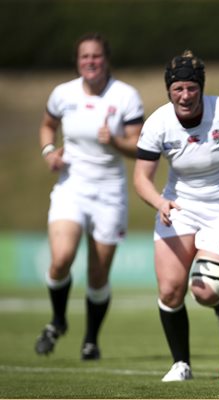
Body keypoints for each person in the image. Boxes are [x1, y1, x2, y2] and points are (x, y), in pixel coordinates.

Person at [133, 50, 219, 382]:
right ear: (169, 91)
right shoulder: (158, 123)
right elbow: (141, 179)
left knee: (205, 291)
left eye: (191, 88)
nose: (185, 96)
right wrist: (159, 202)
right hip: (179, 207)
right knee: (171, 290)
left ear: (201, 88)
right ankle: (181, 364)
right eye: (178, 89)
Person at [34, 33, 144, 361]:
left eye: (96, 56)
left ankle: (91, 339)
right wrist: (48, 151)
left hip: (110, 192)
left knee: (98, 275)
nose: (90, 62)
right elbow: (47, 126)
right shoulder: (62, 94)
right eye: (85, 57)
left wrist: (115, 140)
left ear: (106, 59)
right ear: (77, 61)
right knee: (61, 259)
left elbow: (138, 146)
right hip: (71, 188)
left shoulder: (126, 96)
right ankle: (57, 321)